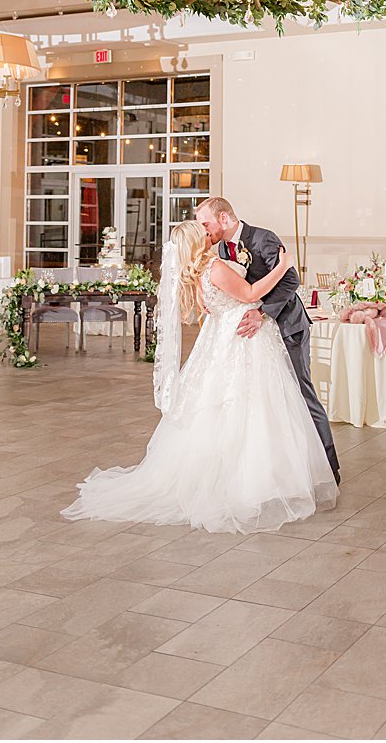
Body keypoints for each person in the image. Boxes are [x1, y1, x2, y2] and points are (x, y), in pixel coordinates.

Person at [62, 220, 337, 533]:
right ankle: (252, 485)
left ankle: (250, 479)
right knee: (252, 407)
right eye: (202, 232)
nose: (209, 233)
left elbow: (212, 308)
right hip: (242, 338)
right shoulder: (215, 268)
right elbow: (249, 294)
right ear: (196, 241)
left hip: (223, 336)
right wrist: (284, 265)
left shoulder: (196, 274)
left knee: (232, 408)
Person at [194, 196, 340, 484]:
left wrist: (262, 312)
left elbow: (289, 280)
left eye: (206, 223)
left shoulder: (262, 238)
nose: (203, 230)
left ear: (224, 218)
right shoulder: (222, 248)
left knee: (301, 393)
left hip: (287, 325)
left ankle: (328, 466)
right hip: (258, 337)